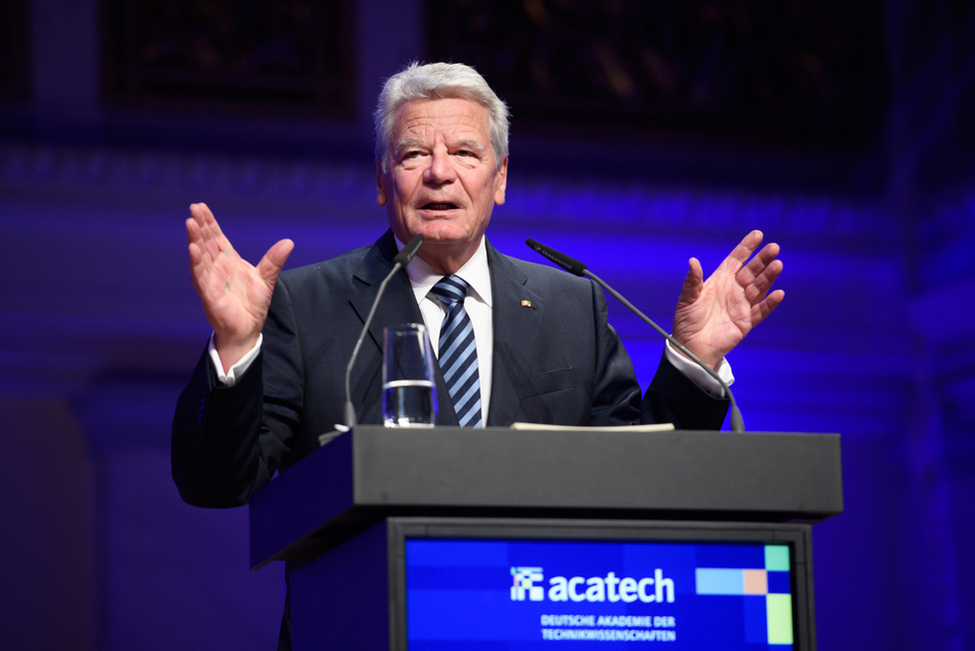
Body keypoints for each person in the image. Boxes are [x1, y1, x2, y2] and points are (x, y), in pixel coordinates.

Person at [172, 61, 783, 647]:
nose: (440, 173)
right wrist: (234, 346)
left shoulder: (572, 308)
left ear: (501, 179)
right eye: (413, 155)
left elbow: (641, 484)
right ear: (382, 181)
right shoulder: (307, 305)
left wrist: (693, 363)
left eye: (465, 153)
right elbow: (217, 483)